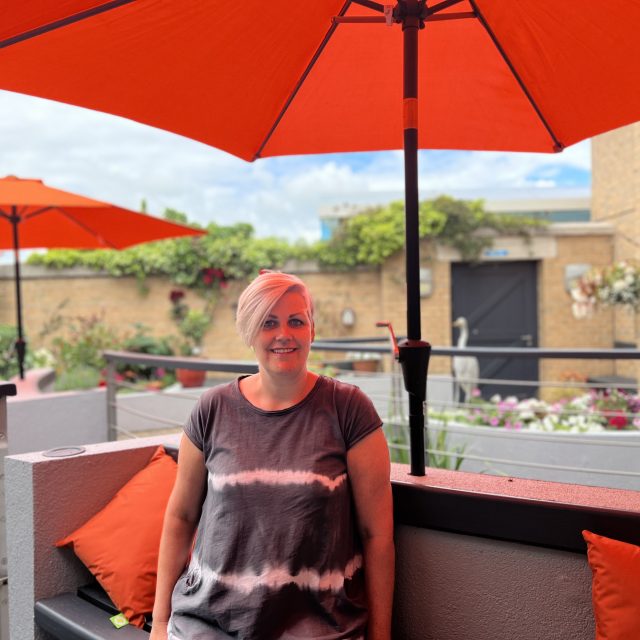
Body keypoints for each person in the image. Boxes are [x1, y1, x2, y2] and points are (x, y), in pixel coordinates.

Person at [151, 271, 394, 640]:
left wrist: (381, 636)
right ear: (250, 332)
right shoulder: (212, 409)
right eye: (268, 322)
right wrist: (158, 623)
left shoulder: (349, 409)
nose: (284, 334)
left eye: (296, 321)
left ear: (312, 329)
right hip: (207, 625)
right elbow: (181, 517)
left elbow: (376, 534)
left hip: (321, 630)